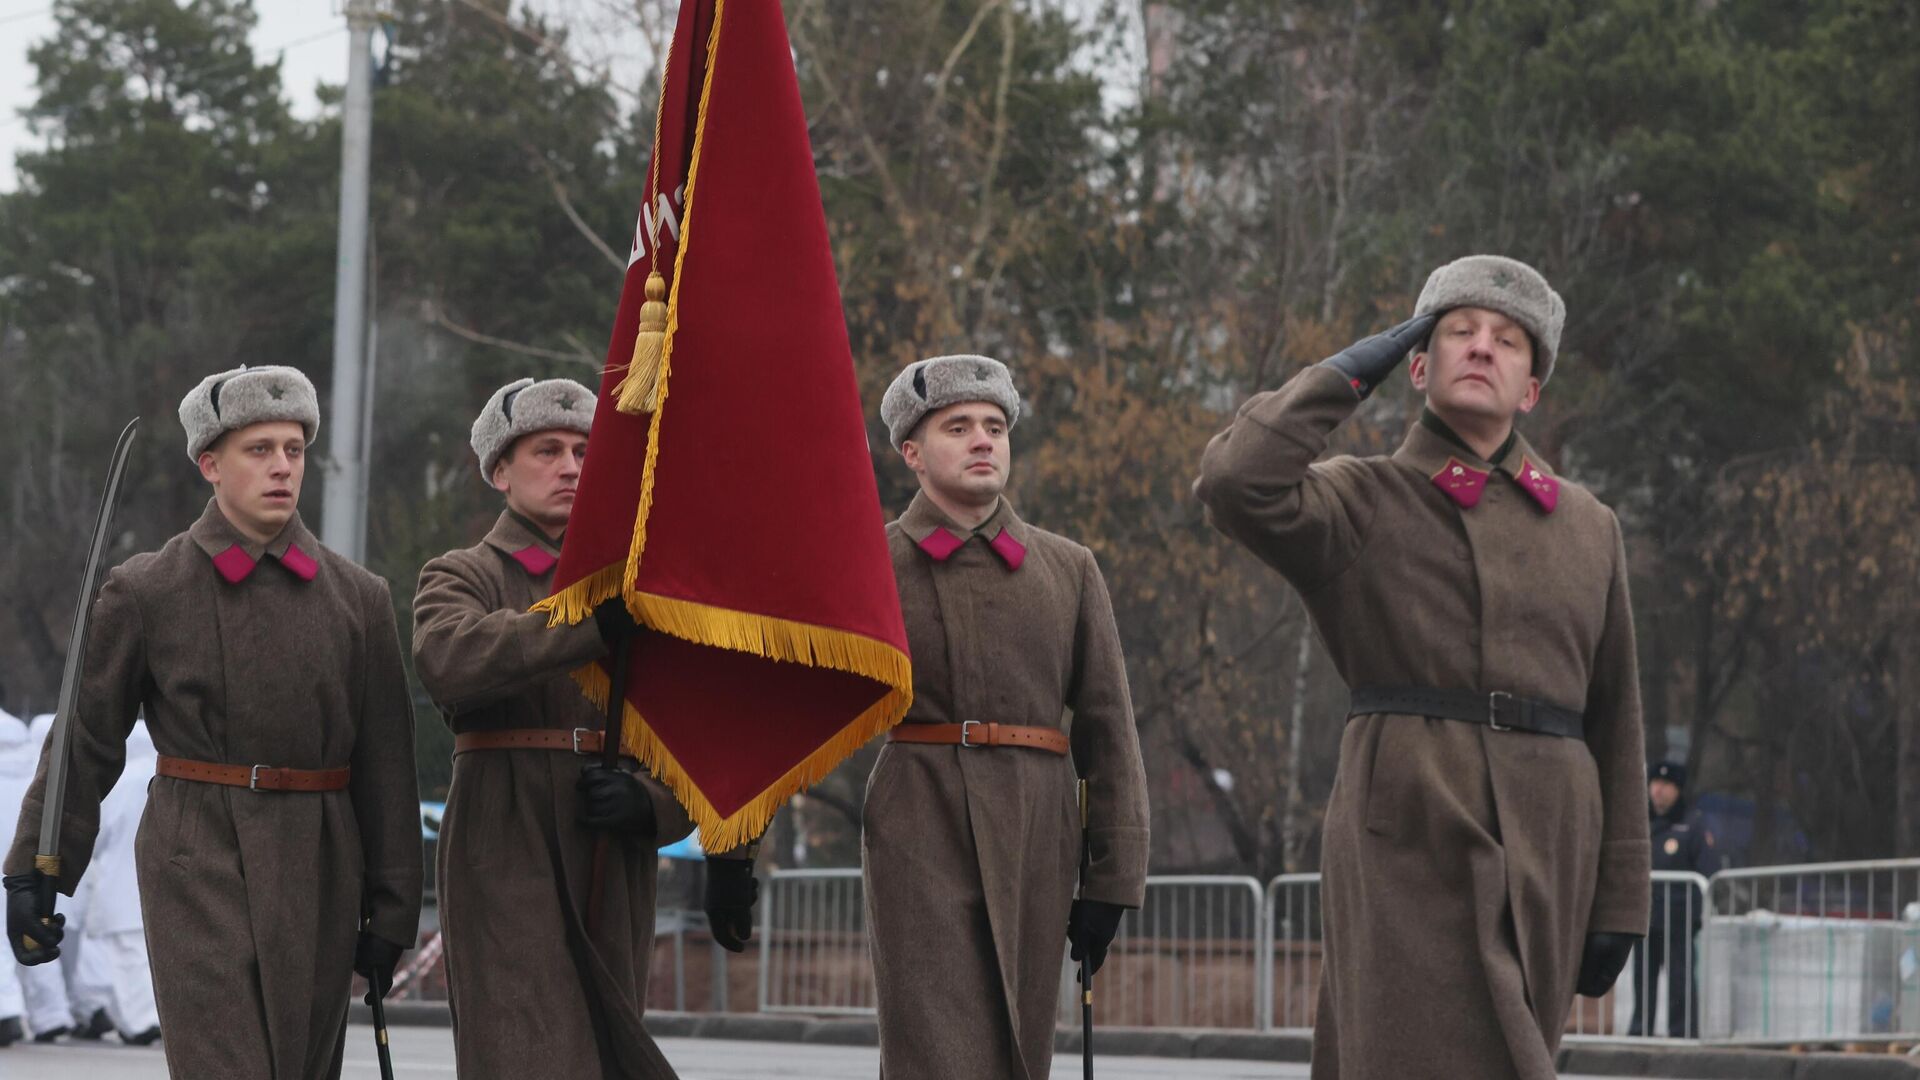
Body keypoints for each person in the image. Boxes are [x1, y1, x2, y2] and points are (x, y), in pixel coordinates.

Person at [1195, 255, 1650, 1078]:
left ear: (1532, 389)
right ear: (1413, 363)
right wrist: (1344, 372)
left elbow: (1617, 719)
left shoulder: (1590, 526)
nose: (1482, 349)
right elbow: (1233, 482)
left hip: (1551, 842)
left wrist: (1623, 896)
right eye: (1457, 334)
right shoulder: (1357, 499)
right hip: (1407, 831)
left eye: (1509, 342)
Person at [3, 364, 423, 1078]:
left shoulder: (360, 599)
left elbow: (386, 764)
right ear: (210, 464)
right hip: (194, 858)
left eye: (293, 449)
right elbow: (85, 739)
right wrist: (35, 873)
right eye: (259, 450)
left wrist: (391, 911)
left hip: (320, 860)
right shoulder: (146, 589)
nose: (282, 467)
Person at [861, 354, 1151, 1079]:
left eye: (995, 426)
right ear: (913, 453)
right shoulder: (871, 565)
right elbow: (793, 707)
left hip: (1036, 829)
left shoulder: (1068, 568)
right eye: (957, 427)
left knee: (1022, 1045)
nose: (984, 440)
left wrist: (1112, 883)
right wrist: (734, 846)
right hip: (917, 822)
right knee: (935, 1047)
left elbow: (1108, 730)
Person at [412, 376, 695, 1079]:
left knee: (609, 1049)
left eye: (583, 450)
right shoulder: (461, 574)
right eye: (547, 450)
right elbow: (451, 661)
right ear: (500, 471)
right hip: (502, 836)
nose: (571, 466)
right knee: (520, 1044)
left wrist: (654, 805)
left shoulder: (641, 587)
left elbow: (690, 727)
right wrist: (587, 625)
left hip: (609, 839)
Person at [72, 720, 160, 1045]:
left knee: (127, 959)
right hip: (157, 881)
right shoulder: (164, 778)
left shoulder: (122, 783)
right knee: (152, 958)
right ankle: (148, 1017)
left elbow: (99, 831)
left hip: (119, 882)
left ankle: (139, 1022)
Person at [1629, 760, 1717, 1038]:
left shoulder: (1693, 824)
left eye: (1666, 785)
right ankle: (1640, 1032)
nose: (1658, 790)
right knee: (1643, 980)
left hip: (1679, 920)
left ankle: (1682, 1034)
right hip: (1646, 918)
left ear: (1678, 789)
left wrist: (1696, 916)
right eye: (1655, 783)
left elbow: (1708, 873)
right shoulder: (1640, 822)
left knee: (1680, 981)